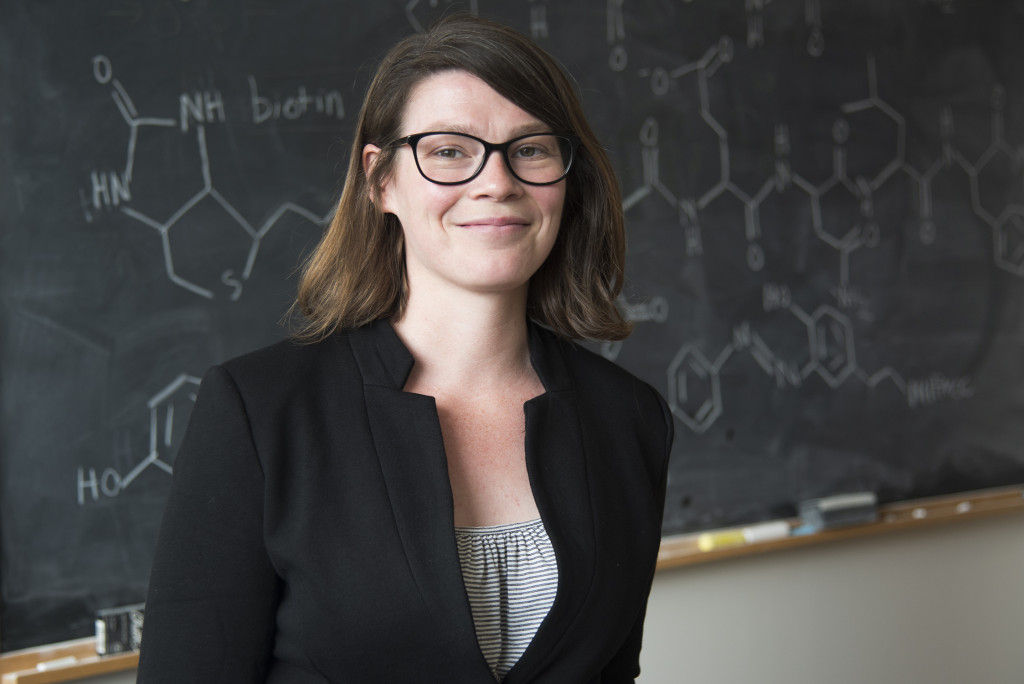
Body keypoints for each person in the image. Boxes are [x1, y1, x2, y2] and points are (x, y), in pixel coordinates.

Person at [137, 13, 673, 684]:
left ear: (568, 178)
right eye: (449, 150)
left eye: (530, 148)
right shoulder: (259, 413)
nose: (496, 181)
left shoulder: (629, 417)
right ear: (380, 180)